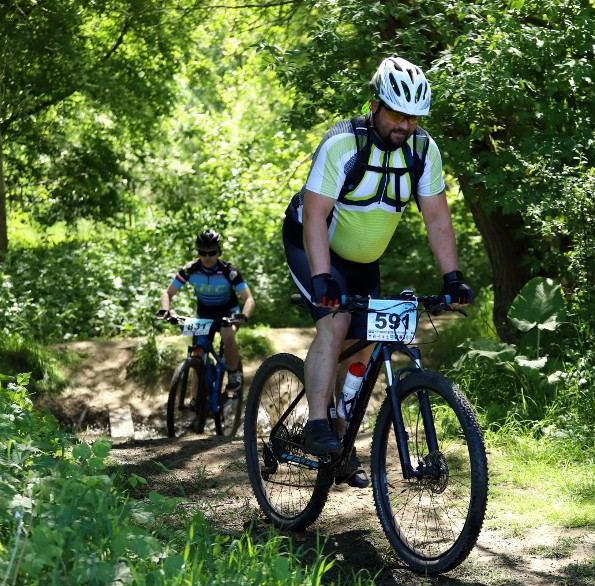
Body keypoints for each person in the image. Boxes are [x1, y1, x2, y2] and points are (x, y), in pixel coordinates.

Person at [282, 56, 473, 488]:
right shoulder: (342, 144)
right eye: (396, 114)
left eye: (413, 117)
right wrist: (322, 277)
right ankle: (318, 423)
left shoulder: (423, 151)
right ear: (375, 105)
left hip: (365, 259)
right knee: (335, 324)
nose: (405, 125)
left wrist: (452, 277)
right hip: (312, 244)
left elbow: (438, 219)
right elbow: (314, 216)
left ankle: (344, 420)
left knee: (371, 338)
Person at [158, 229, 255, 392]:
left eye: (211, 253)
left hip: (228, 312)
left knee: (227, 335)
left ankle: (233, 374)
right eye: (202, 252)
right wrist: (165, 309)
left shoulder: (229, 271)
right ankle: (195, 401)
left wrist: (243, 315)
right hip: (204, 315)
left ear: (219, 252)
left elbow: (249, 299)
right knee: (197, 355)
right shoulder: (190, 269)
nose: (207, 257)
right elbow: (167, 293)